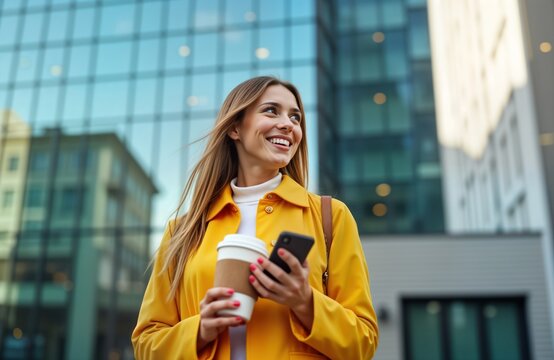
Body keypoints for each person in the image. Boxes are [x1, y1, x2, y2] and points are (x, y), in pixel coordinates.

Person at [131, 76, 379, 359]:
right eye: (271, 110)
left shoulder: (331, 217)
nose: (289, 124)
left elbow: (363, 342)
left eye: (295, 117)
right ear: (235, 128)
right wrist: (201, 330)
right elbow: (146, 344)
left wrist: (305, 302)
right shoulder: (183, 230)